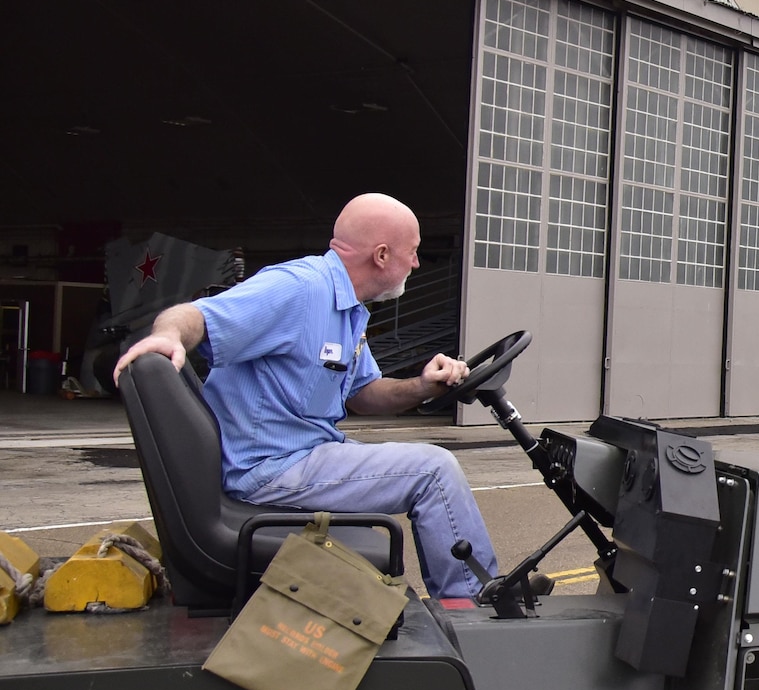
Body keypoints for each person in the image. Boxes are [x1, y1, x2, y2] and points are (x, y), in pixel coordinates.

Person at [114, 194, 499, 599]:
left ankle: (466, 595)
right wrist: (166, 336)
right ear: (383, 255)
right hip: (269, 468)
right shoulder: (298, 289)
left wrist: (423, 386)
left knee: (428, 466)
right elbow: (196, 316)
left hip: (306, 454)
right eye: (414, 252)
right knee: (433, 469)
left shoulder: (348, 310)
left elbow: (364, 395)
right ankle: (470, 602)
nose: (417, 264)